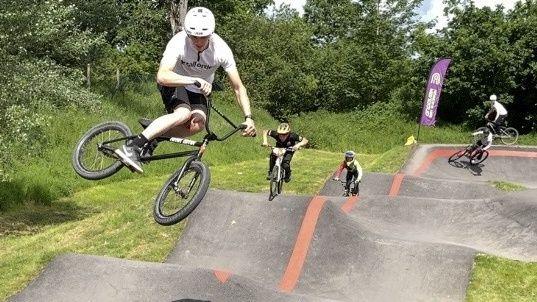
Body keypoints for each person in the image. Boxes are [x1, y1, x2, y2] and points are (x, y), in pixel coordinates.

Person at [115, 7, 256, 173]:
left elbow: (238, 88)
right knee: (183, 114)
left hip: (199, 91)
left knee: (197, 124)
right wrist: (193, 80)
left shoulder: (221, 50)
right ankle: (132, 146)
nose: (198, 41)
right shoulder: (178, 42)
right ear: (187, 33)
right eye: (193, 37)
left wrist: (248, 118)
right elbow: (162, 76)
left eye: (202, 37)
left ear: (210, 34)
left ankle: (154, 136)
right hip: (174, 82)